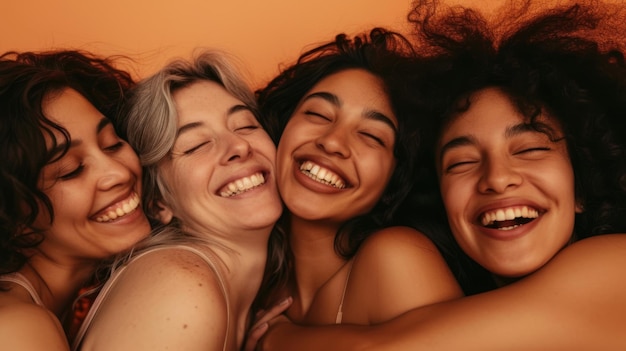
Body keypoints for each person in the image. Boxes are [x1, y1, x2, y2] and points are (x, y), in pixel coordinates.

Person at [254, 1, 626, 350]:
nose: (496, 178)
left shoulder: (614, 266)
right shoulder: (456, 293)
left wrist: (275, 338)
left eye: (529, 150)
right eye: (461, 162)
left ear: (583, 186)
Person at [248, 27, 463, 345]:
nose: (333, 142)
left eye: (372, 136)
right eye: (319, 114)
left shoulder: (395, 259)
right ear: (282, 127)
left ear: (395, 178)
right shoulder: (255, 281)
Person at [72, 50, 284, 351]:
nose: (238, 145)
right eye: (196, 145)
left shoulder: (244, 301)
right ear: (159, 203)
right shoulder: (181, 288)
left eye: (246, 125)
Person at [0, 50, 151, 350]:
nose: (118, 173)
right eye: (71, 171)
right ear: (13, 217)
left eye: (112, 143)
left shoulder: (69, 309)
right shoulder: (17, 327)